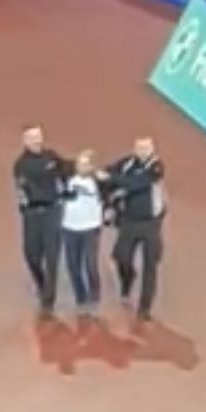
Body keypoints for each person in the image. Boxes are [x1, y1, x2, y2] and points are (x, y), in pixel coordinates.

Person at [12, 125, 71, 319]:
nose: (36, 141)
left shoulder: (51, 157)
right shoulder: (20, 165)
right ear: (25, 141)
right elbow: (22, 190)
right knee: (32, 255)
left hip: (52, 211)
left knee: (52, 256)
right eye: (31, 138)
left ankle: (48, 300)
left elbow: (67, 170)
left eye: (38, 137)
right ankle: (41, 283)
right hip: (32, 215)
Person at [105, 138, 167, 322]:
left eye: (146, 148)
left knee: (151, 265)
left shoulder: (156, 167)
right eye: (139, 148)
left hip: (151, 223)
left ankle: (144, 308)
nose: (142, 151)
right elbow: (109, 172)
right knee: (121, 257)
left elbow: (136, 184)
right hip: (129, 221)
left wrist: (114, 180)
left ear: (152, 149)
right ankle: (127, 281)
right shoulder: (126, 164)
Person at [61, 151, 104, 318]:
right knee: (73, 265)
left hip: (90, 228)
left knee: (90, 264)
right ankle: (80, 297)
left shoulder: (98, 183)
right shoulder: (68, 179)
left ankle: (94, 297)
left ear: (92, 166)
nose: (82, 167)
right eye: (79, 164)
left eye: (86, 164)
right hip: (70, 227)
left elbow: (112, 191)